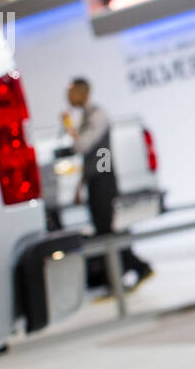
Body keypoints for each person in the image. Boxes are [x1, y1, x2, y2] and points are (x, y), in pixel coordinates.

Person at [64, 77, 153, 290]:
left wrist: (70, 129)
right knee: (104, 232)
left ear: (82, 92)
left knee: (107, 232)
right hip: (97, 180)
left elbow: (83, 146)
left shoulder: (97, 115)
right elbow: (92, 158)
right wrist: (81, 184)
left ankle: (132, 271)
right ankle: (121, 278)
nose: (67, 97)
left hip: (103, 181)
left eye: (71, 91)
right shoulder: (88, 116)